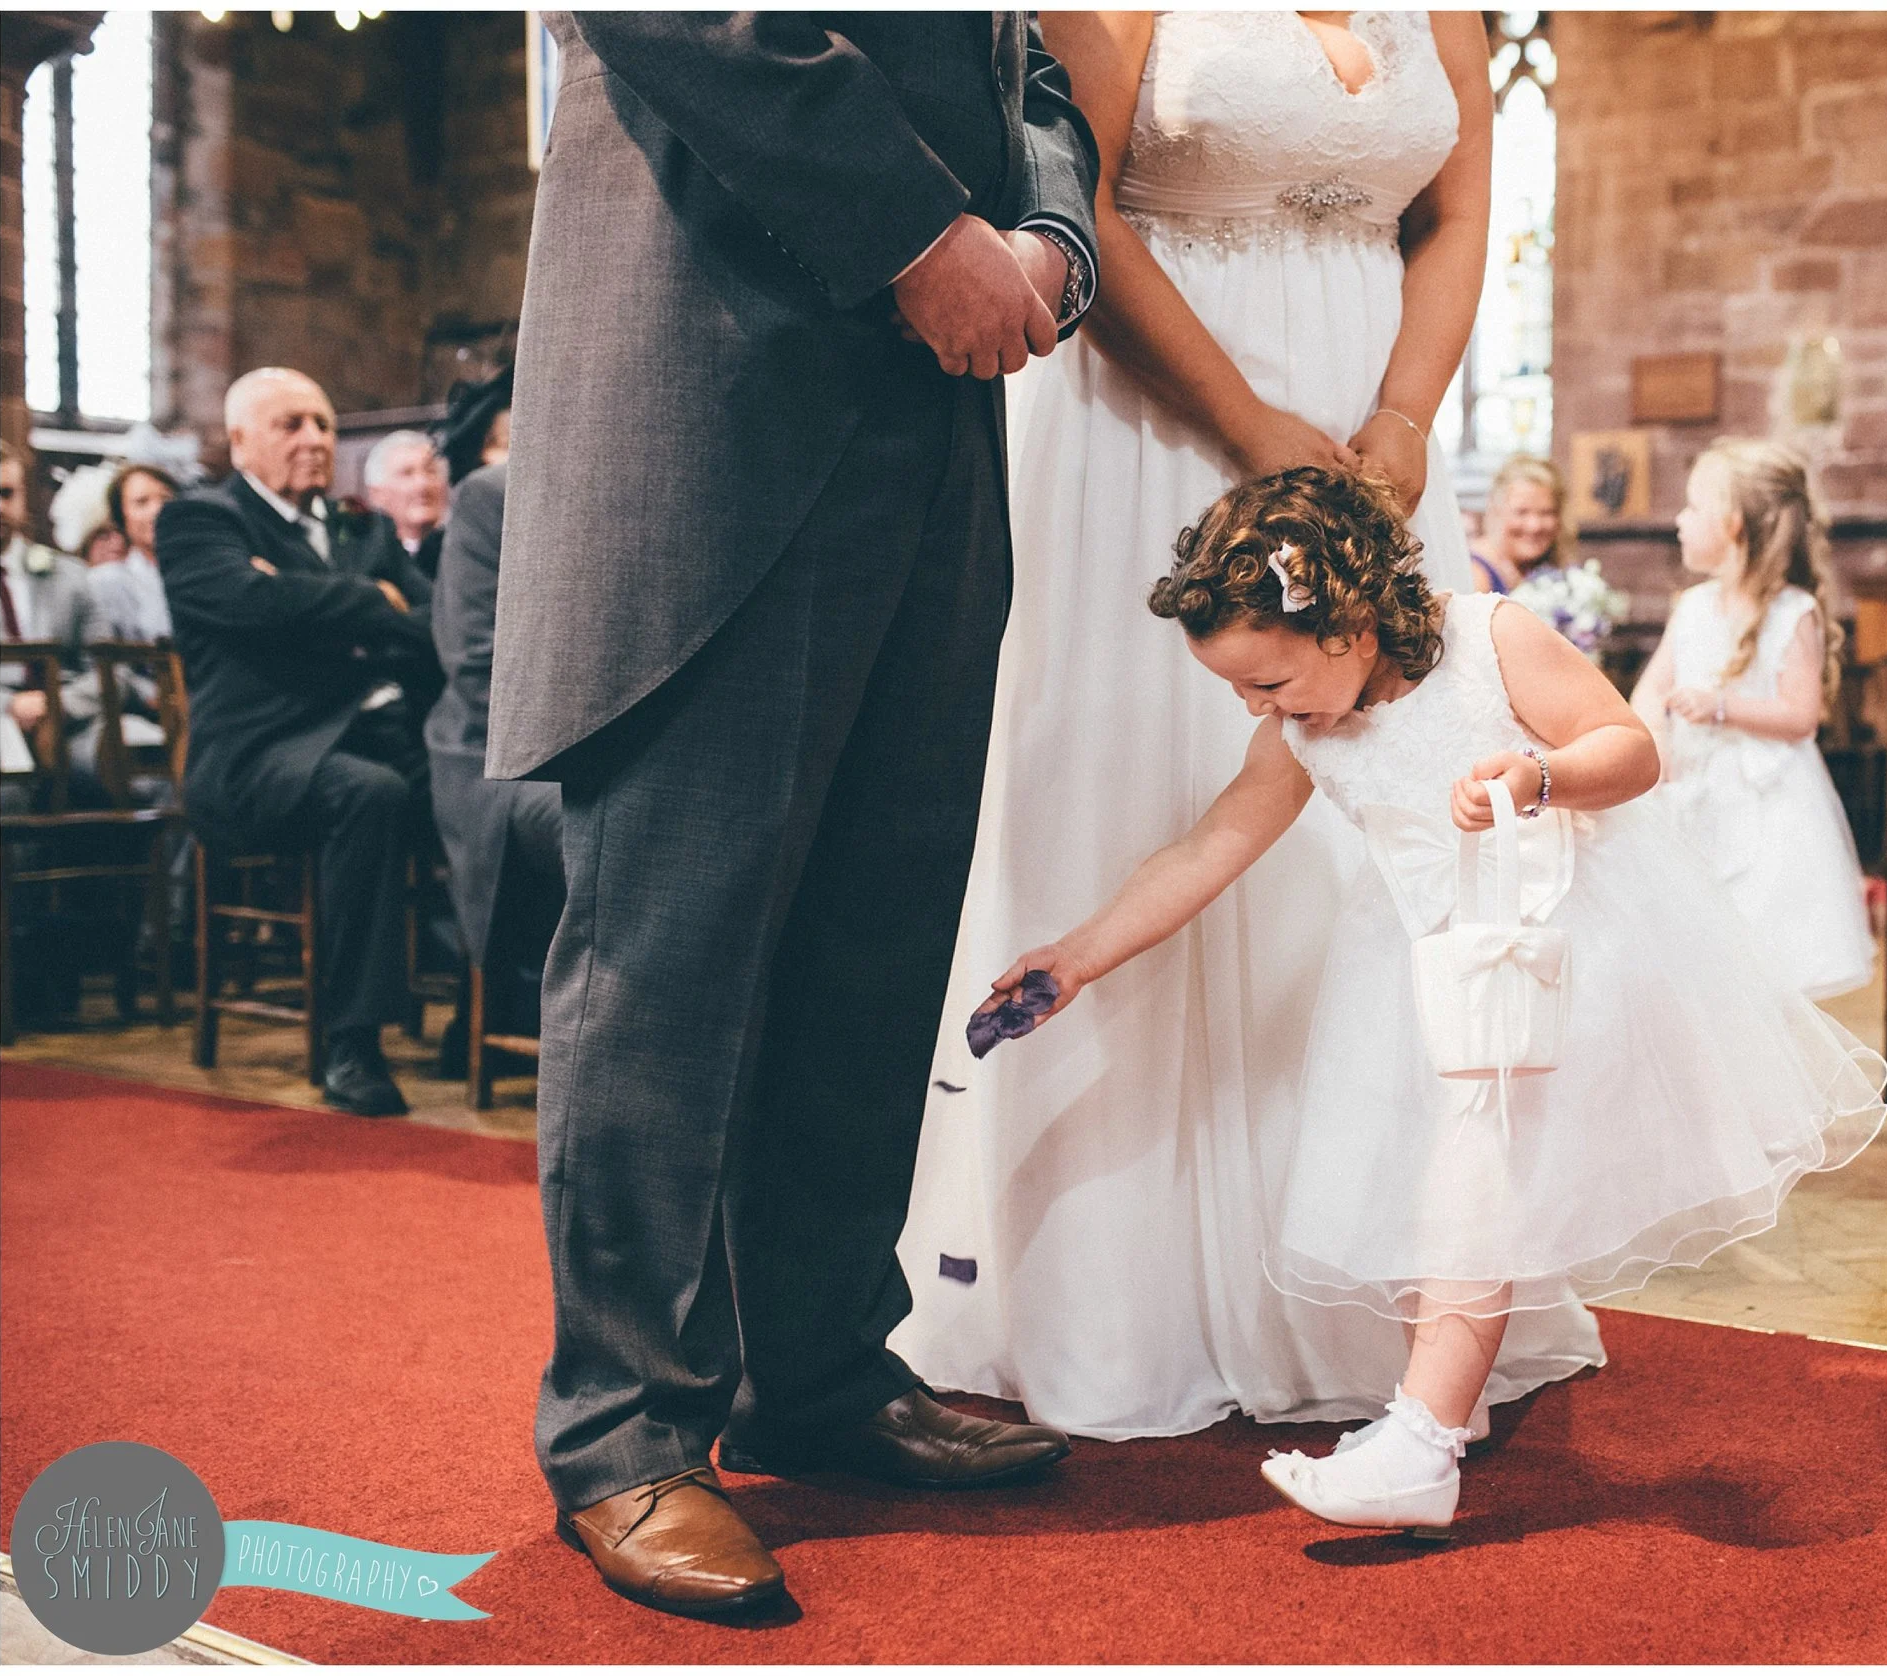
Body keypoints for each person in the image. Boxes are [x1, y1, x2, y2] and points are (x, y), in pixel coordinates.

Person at [893, 7, 1589, 1447]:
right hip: (1155, 415)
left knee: (1371, 827)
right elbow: (1068, 195)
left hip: (1371, 436)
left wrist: (1399, 418)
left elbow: (1460, 211)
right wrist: (1246, 419)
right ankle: (1115, 1291)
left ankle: (1379, 1265)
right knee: (1175, 782)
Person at [488, 14, 1101, 1622]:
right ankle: (625, 1428)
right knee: (666, 953)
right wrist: (914, 233)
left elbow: (1016, 61)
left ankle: (816, 1371)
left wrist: (1049, 237)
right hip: (714, 377)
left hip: (939, 404)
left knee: (875, 936)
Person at [978, 467, 1887, 1533]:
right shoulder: (1305, 729)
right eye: (1239, 692)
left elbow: (1630, 749)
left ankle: (1422, 1444)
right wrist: (1081, 953)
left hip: (1549, 944)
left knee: (1474, 1183)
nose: (1256, 709)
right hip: (1422, 969)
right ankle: (1431, 1411)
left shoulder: (1488, 639)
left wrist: (1533, 778)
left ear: (1347, 626)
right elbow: (1211, 844)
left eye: (1266, 683)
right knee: (1430, 1187)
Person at [155, 367, 441, 1118]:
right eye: (292, 424)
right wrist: (369, 600)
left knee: (487, 784)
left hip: (376, 736)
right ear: (241, 440)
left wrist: (317, 607)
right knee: (371, 794)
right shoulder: (199, 522)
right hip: (261, 757)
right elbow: (249, 603)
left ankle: (496, 1013)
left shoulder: (364, 529)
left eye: (323, 422)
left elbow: (434, 628)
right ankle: (352, 1045)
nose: (315, 438)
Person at [1632, 438, 1875, 1000]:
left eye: (1692, 508)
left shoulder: (1793, 611)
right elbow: (1651, 689)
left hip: (1765, 797)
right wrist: (1656, 740)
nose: (1678, 520)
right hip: (1690, 784)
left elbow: (1801, 715)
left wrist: (1722, 707)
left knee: (1763, 927)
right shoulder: (1692, 607)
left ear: (1733, 525)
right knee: (1696, 935)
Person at [424, 461, 560, 1043]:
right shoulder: (492, 495)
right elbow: (477, 665)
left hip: (617, 757)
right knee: (617, 826)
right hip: (499, 754)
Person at [0, 442, 102, 791]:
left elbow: (108, 666)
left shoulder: (69, 575)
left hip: (69, 720)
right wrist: (9, 705)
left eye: (5, 493)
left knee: (140, 773)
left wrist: (57, 705)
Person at [90, 464, 177, 644]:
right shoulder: (107, 581)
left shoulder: (207, 571)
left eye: (166, 499)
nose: (157, 510)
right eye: (141, 502)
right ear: (121, 515)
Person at [359, 431, 451, 582]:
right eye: (407, 474)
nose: (423, 484)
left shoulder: (464, 548)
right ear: (376, 493)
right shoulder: (361, 558)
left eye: (431, 471)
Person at [1468, 453, 1566, 595]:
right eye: (1522, 512)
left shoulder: (1541, 567)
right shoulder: (1476, 574)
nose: (1535, 526)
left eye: (1546, 513)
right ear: (1495, 509)